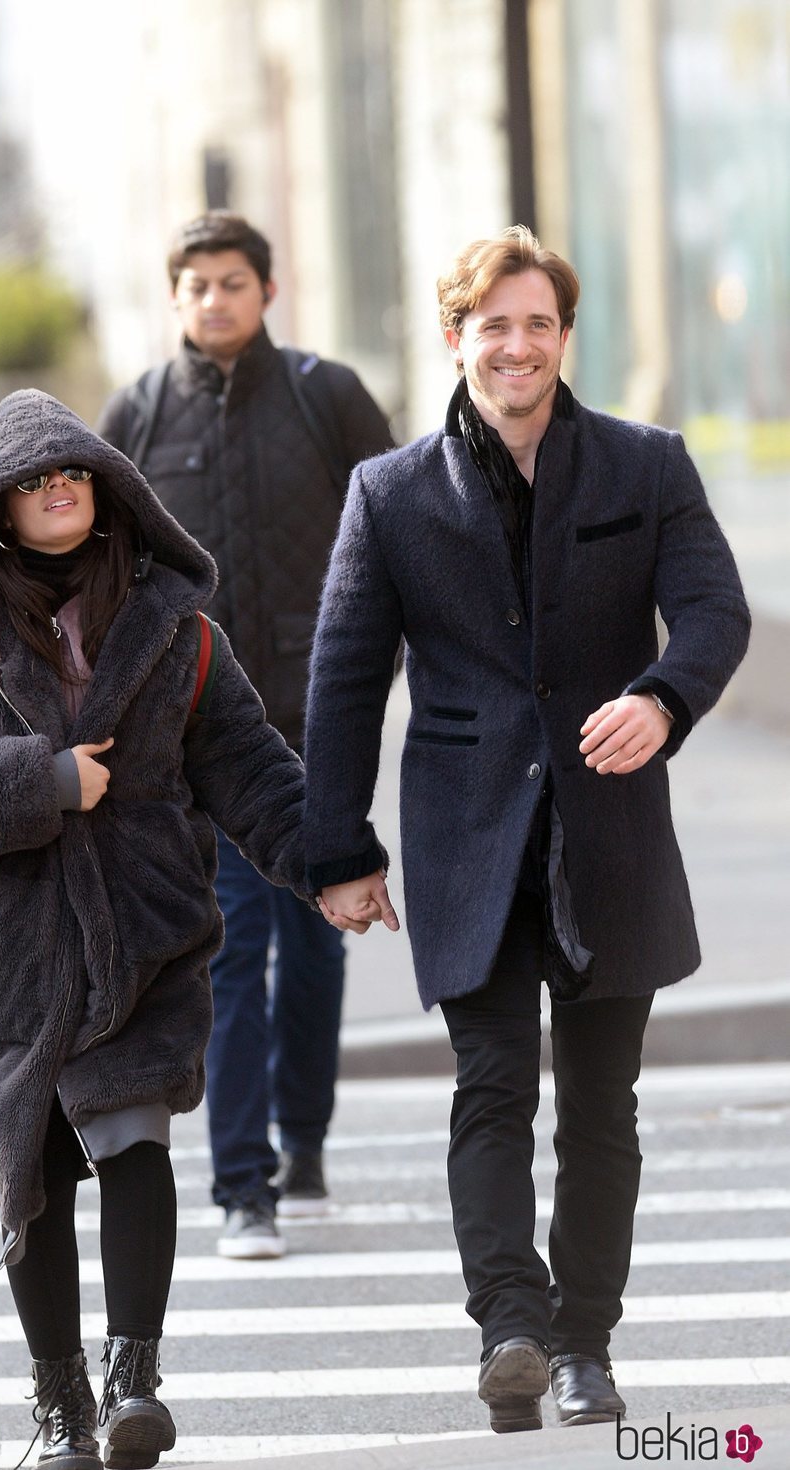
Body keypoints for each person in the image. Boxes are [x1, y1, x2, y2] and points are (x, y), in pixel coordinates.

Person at [303, 227, 750, 1434]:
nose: (515, 344)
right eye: (491, 324)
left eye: (536, 322)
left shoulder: (645, 467)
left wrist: (661, 699)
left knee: (603, 1106)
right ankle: (508, 1323)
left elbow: (712, 610)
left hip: (607, 828)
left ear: (563, 336)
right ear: (455, 339)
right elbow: (344, 677)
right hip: (465, 835)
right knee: (490, 1087)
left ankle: (583, 1347)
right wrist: (336, 849)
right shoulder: (386, 494)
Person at [0, 389, 313, 1470]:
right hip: (4, 965)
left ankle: (132, 1384)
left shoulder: (177, 632)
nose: (53, 488)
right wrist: (43, 778)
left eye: (68, 472)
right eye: (27, 482)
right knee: (34, 1179)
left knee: (132, 1143)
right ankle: (60, 1406)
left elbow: (252, 771)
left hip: (142, 938)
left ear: (108, 490)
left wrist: (333, 865)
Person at [98, 211, 393, 1259]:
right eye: (196, 286)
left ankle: (302, 1143)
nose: (214, 300)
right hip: (195, 738)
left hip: (322, 724)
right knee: (230, 945)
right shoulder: (135, 413)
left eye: (233, 282)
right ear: (173, 299)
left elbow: (401, 530)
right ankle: (242, 1187)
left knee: (317, 936)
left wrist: (389, 670)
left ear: (266, 290)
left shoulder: (326, 396)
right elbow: (100, 572)